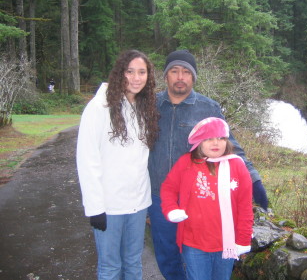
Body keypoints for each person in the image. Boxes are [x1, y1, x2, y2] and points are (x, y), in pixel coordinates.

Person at [147, 49, 268, 280]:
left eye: (186, 72)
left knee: (194, 253)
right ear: (166, 76)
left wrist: (253, 178)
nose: (180, 77)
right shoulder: (149, 106)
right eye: (174, 71)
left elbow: (230, 145)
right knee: (166, 255)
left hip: (200, 199)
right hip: (160, 195)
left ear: (193, 77)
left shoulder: (208, 107)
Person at [76, 49, 159, 280]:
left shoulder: (143, 109)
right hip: (109, 207)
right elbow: (87, 160)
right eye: (129, 71)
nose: (136, 77)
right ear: (119, 73)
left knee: (133, 264)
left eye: (142, 72)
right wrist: (95, 208)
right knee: (110, 267)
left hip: (138, 204)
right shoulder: (99, 108)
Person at [160, 117, 253, 280]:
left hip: (226, 244)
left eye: (221, 138)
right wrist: (171, 209)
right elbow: (168, 188)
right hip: (194, 243)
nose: (216, 143)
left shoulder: (237, 166)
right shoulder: (186, 163)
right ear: (199, 142)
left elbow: (245, 207)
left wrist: (243, 239)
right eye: (209, 139)